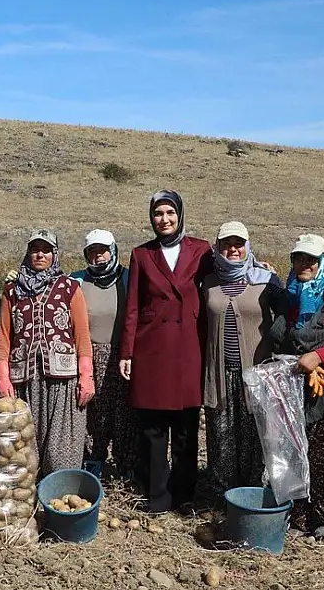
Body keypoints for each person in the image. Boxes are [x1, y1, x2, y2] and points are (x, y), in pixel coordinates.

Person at [119, 191, 213, 513]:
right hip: (152, 349)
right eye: (158, 213)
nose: (164, 219)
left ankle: (185, 497)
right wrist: (127, 352)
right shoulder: (142, 255)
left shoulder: (201, 251)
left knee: (186, 428)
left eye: (170, 212)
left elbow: (226, 273)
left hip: (189, 347)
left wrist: (257, 268)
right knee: (153, 429)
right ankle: (157, 496)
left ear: (180, 214)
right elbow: (132, 306)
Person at [267, 234, 324, 539]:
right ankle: (298, 514)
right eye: (298, 258)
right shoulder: (289, 295)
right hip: (295, 389)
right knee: (296, 450)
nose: (304, 264)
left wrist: (320, 356)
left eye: (311, 259)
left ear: (323, 262)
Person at [0, 229, 94, 476]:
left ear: (54, 254)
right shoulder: (12, 290)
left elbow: (81, 335)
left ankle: (59, 497)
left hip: (63, 380)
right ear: (28, 253)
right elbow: (4, 337)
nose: (40, 255)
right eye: (35, 249)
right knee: (23, 445)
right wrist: (3, 378)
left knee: (62, 446)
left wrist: (86, 376)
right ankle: (27, 502)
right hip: (24, 380)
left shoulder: (69, 288)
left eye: (46, 250)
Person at [201, 222, 281, 494]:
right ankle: (223, 498)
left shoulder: (266, 280)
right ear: (218, 247)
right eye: (226, 244)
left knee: (255, 437)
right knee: (221, 438)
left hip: (256, 375)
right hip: (219, 373)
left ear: (248, 246)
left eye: (238, 243)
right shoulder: (208, 282)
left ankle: (252, 496)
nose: (232, 249)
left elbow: (288, 315)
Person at [70, 229, 136, 479]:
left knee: (125, 414)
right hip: (89, 354)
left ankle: (125, 467)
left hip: (122, 357)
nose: (98, 257)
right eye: (92, 252)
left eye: (103, 250)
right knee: (92, 415)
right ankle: (93, 466)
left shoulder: (129, 279)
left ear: (114, 250)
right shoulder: (77, 281)